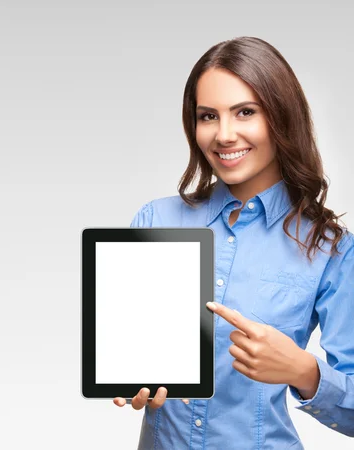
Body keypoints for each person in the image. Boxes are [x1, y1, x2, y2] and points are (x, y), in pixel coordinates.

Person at [113, 36, 354, 449]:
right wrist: (127, 375)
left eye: (245, 112)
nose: (224, 135)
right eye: (208, 115)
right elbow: (128, 355)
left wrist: (303, 369)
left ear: (281, 116)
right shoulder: (156, 221)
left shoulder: (330, 249)